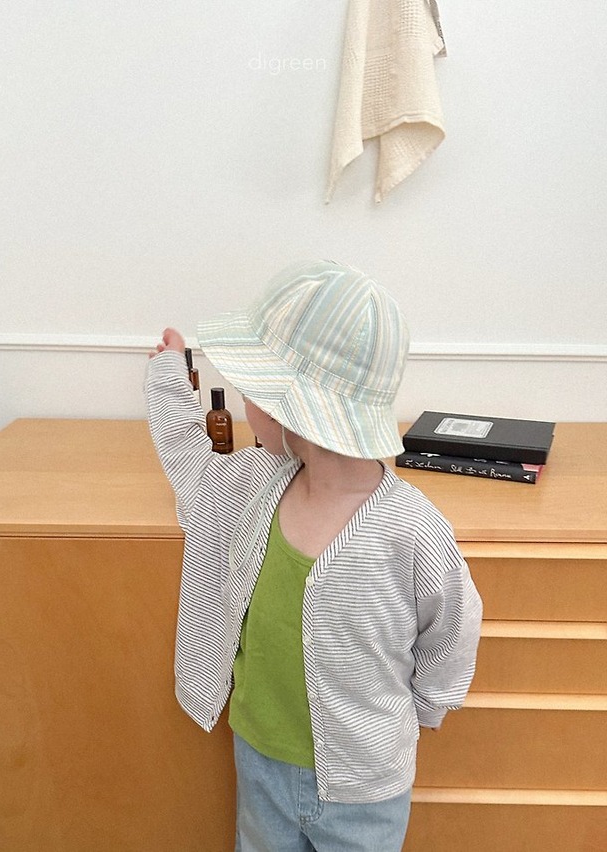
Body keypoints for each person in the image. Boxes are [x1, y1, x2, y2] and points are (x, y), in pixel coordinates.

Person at [145, 259, 482, 852]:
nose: (246, 406)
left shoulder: (412, 531)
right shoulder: (252, 486)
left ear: (287, 410)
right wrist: (170, 376)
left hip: (366, 787)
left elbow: (453, 628)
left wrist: (429, 706)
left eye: (251, 393)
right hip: (259, 761)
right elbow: (188, 460)